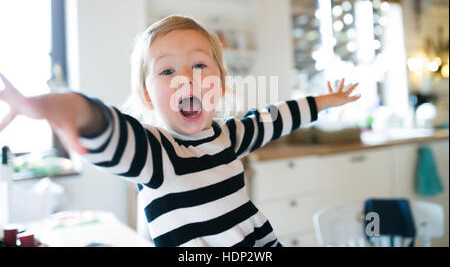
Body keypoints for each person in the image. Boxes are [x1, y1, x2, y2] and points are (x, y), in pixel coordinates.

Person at [0, 15, 360, 247]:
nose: (187, 78)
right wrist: (57, 107)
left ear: (219, 83)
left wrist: (324, 101)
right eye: (167, 71)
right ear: (147, 95)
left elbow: (275, 117)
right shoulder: (158, 154)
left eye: (200, 65)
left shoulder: (228, 137)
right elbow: (109, 128)